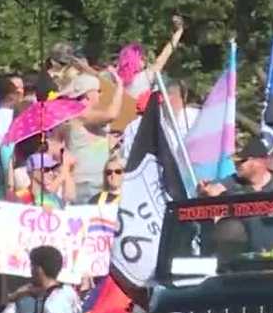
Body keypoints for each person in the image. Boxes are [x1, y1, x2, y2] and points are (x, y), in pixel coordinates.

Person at [64, 70, 125, 202]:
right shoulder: (80, 113)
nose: (100, 95)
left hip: (99, 183)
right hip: (86, 185)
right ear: (87, 95)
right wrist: (120, 87)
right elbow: (112, 115)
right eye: (98, 91)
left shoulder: (90, 116)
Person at [116, 15, 185, 111]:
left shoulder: (116, 80)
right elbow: (165, 55)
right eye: (142, 57)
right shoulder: (145, 77)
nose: (145, 59)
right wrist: (179, 32)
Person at [200, 137, 273, 196]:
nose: (235, 165)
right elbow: (217, 188)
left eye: (241, 161)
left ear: (258, 161)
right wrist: (206, 192)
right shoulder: (233, 181)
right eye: (235, 161)